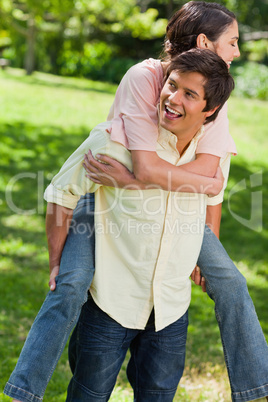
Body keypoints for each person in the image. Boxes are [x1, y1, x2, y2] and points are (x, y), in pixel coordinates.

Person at [4, 2, 268, 402]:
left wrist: (202, 242)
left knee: (230, 281)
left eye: (190, 94)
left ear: (208, 109)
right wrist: (132, 181)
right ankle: (25, 389)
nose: (236, 52)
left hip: (169, 223)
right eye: (232, 42)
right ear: (202, 42)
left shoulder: (219, 103)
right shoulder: (144, 77)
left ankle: (256, 387)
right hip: (103, 199)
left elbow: (211, 185)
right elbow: (143, 166)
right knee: (71, 282)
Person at [47, 49, 235, 401]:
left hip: (170, 310)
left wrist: (202, 257)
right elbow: (61, 191)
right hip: (110, 302)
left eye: (189, 94)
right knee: (88, 394)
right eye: (172, 85)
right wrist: (57, 261)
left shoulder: (211, 158)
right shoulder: (116, 141)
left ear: (210, 111)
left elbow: (213, 199)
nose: (172, 98)